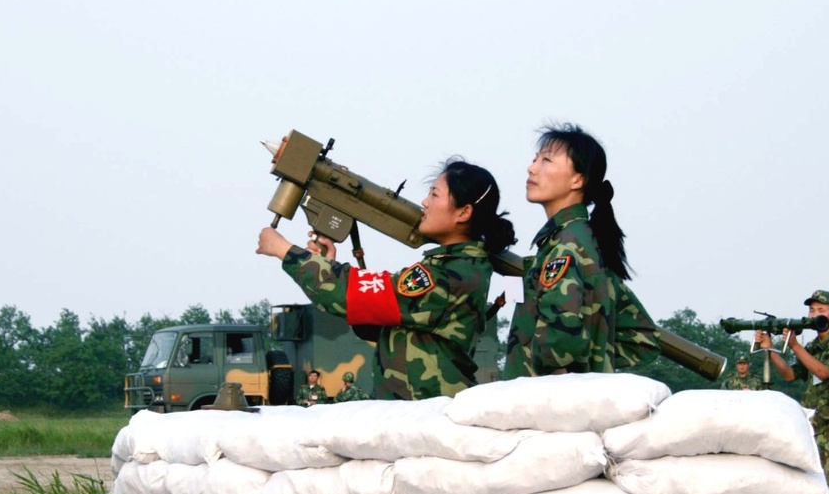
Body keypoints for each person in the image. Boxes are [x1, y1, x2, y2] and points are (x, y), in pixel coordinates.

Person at [258, 158, 516, 400]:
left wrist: (285, 251)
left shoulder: (450, 274)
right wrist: (329, 265)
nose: (425, 203)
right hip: (421, 409)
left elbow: (349, 296)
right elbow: (374, 319)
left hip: (428, 413)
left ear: (463, 213)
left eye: (435, 194)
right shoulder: (456, 266)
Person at [504, 123, 660, 378]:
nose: (532, 168)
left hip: (545, 406)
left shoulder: (566, 245)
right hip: (574, 405)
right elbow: (642, 339)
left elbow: (557, 348)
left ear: (578, 179)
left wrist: (571, 369)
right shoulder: (585, 240)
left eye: (546, 160)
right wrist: (597, 360)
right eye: (535, 159)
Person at [755, 290, 829, 494]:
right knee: (815, 484)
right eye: (812, 310)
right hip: (815, 423)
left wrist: (794, 345)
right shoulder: (813, 346)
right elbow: (790, 375)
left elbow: (823, 371)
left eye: (821, 310)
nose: (814, 315)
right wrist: (770, 349)